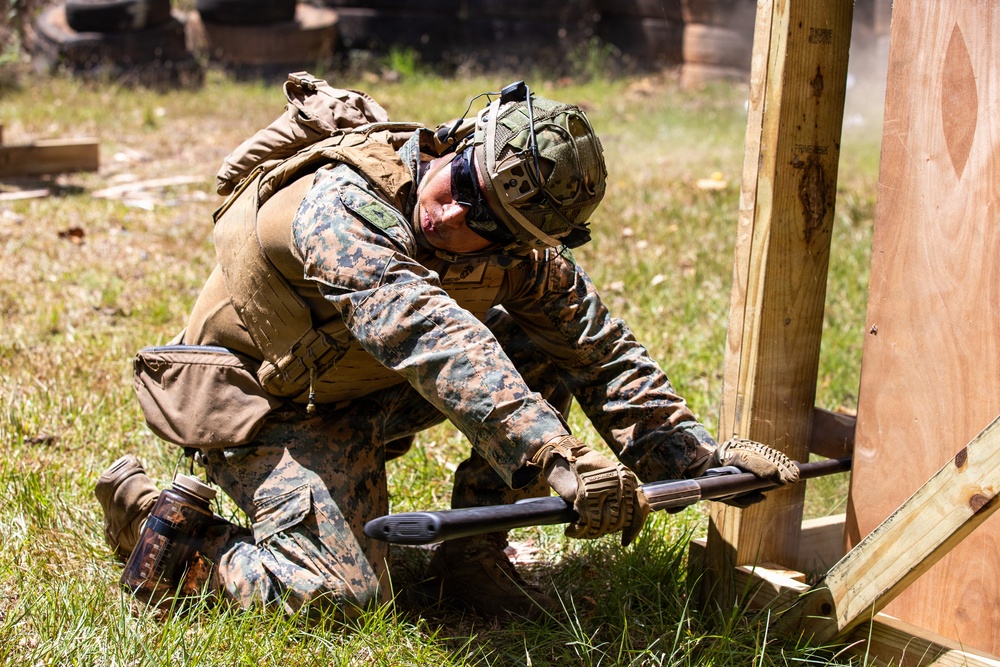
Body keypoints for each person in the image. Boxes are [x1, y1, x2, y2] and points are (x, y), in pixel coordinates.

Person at [96, 78, 798, 620]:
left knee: (539, 338)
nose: (454, 211)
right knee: (339, 597)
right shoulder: (340, 207)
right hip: (261, 407)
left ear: (519, 238)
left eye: (487, 219)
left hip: (362, 389)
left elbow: (596, 346)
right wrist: (558, 457)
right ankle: (163, 532)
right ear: (457, 140)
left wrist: (698, 459)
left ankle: (470, 559)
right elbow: (430, 334)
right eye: (465, 182)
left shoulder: (522, 253)